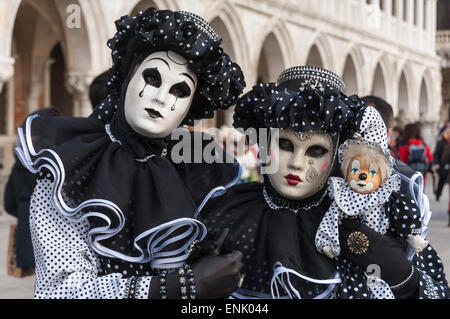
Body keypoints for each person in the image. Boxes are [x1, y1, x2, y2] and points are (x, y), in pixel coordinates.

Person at [16, 8, 246, 299]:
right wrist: (180, 287)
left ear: (190, 111)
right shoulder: (72, 169)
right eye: (152, 77)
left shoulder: (191, 171)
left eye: (180, 91)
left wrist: (197, 261)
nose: (161, 98)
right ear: (128, 76)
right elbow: (60, 292)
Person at [198, 66, 449, 299]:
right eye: (285, 145)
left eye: (315, 151)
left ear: (336, 156)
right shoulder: (225, 210)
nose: (297, 163)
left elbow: (436, 290)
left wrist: (401, 275)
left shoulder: (361, 218)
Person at [4, 107, 60, 273]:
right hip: (60, 242)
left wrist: (26, 213)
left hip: (29, 241)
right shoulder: (62, 161)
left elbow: (9, 204)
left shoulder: (21, 162)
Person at [433, 127, 450, 201]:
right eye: (448, 133)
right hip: (442, 165)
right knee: (441, 180)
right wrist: (436, 164)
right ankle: (438, 194)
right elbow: (436, 154)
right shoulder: (440, 143)